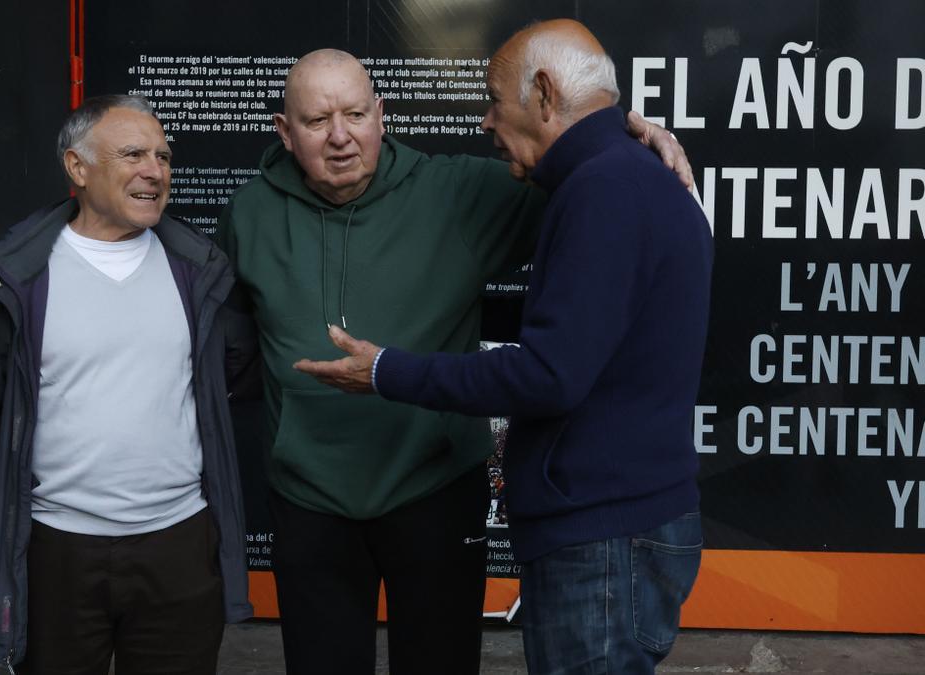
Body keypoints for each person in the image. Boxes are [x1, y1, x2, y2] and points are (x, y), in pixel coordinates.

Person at [218, 48, 692, 674]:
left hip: (432, 489)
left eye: (356, 114)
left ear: (382, 115)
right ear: (284, 131)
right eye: (316, 121)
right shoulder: (250, 213)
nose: (340, 137)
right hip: (309, 500)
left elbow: (588, 180)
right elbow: (232, 340)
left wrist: (630, 133)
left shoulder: (459, 192)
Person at [0, 94, 254, 674]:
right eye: (132, 154)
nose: (155, 171)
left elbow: (233, 378)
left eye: (163, 156)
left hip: (178, 544)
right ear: (77, 168)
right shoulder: (14, 276)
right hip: (55, 549)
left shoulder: (200, 271)